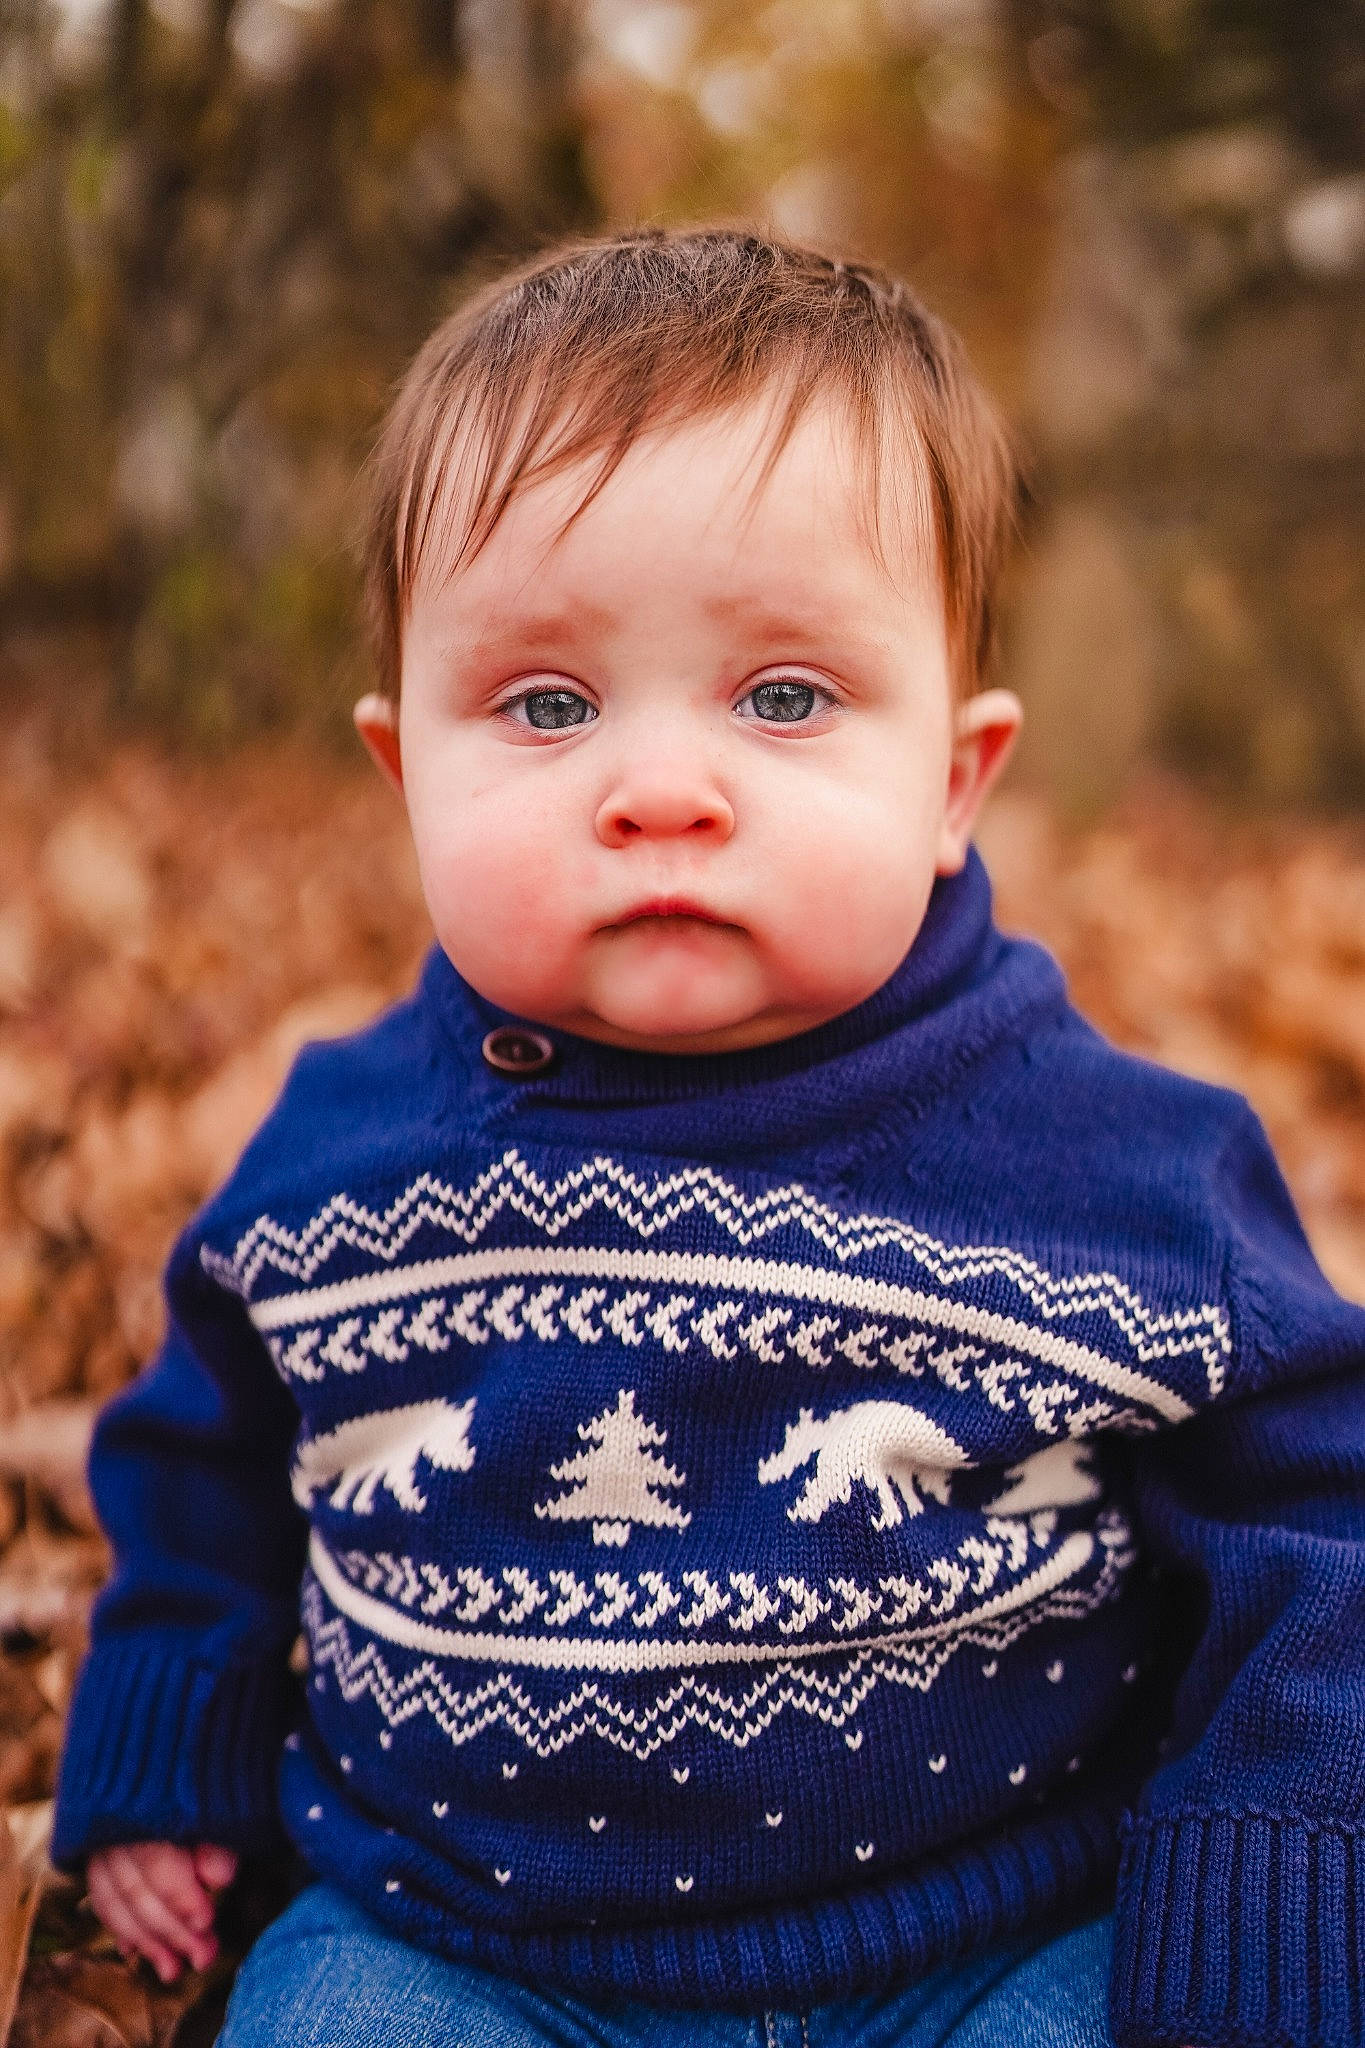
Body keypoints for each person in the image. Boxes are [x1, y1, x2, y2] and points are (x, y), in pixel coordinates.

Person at [48, 224, 1365, 2048]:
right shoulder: (336, 1165)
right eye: (546, 707)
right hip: (457, 1949)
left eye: (785, 698)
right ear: (402, 770)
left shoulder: (1125, 1179)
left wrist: (1263, 1874)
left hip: (992, 1943)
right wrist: (168, 1745)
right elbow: (205, 1465)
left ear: (955, 781)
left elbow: (1325, 1538)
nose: (661, 790)